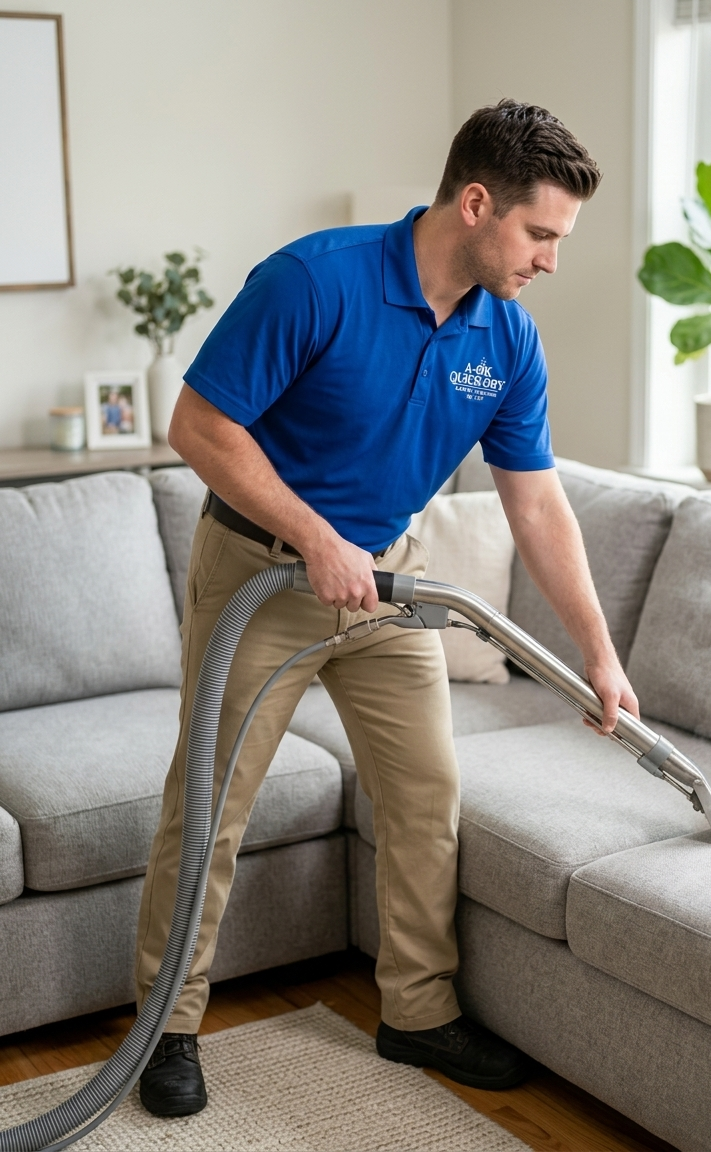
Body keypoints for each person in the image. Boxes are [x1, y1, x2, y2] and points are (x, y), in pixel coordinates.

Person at [135, 98, 640, 1118]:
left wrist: (598, 650)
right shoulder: (313, 282)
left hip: (388, 585)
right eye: (540, 233)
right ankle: (166, 1026)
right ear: (475, 202)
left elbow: (535, 504)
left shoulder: (508, 339)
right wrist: (315, 536)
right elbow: (197, 425)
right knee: (211, 809)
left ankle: (414, 1011)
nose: (550, 258)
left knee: (424, 795)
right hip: (260, 577)